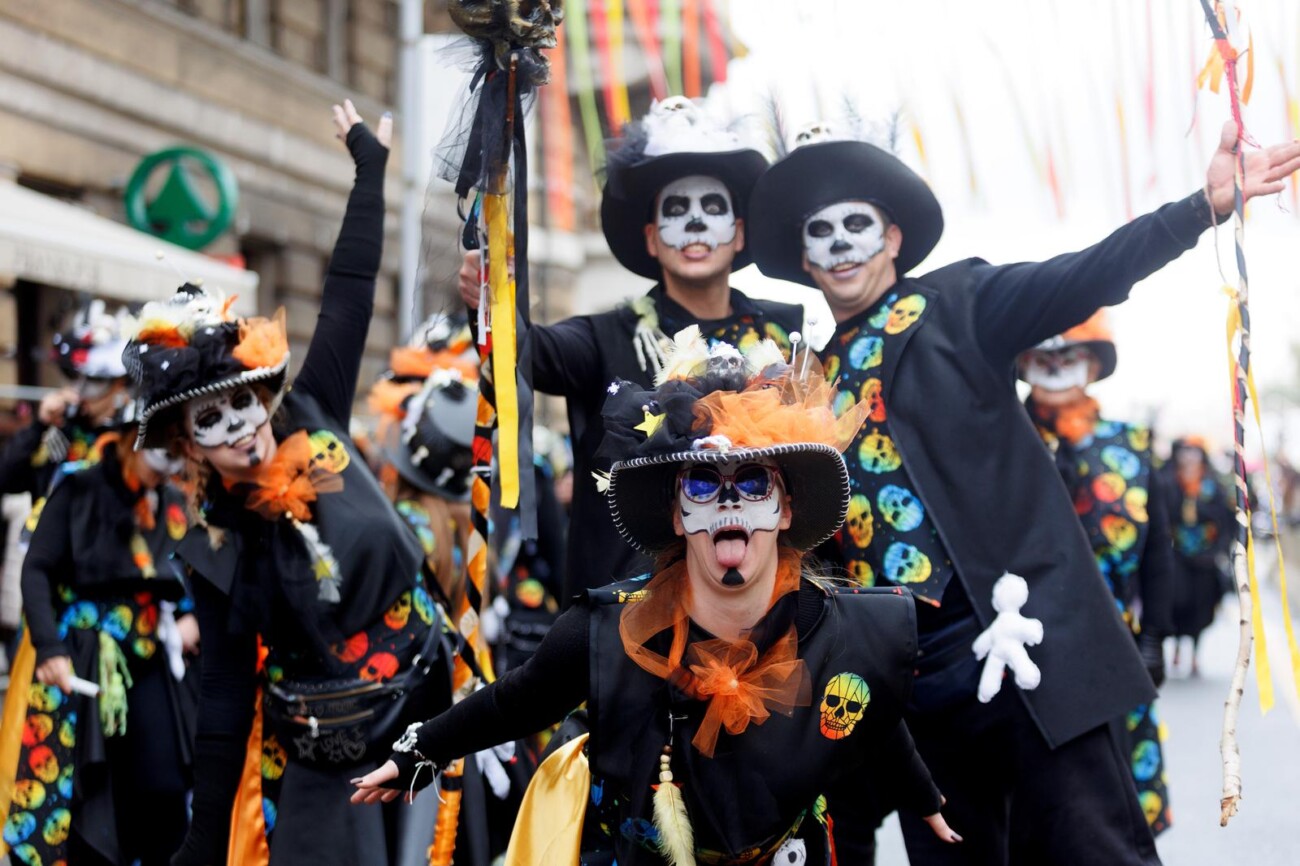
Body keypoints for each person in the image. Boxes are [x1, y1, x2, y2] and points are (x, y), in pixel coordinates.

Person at [745, 120, 1300, 864]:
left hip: (1027, 642)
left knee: (1092, 849)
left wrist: (1200, 207)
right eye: (822, 231)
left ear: (894, 238)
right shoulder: (800, 387)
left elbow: (1085, 273)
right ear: (806, 257)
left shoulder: (962, 301)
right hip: (915, 681)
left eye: (858, 224)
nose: (841, 243)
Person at [353, 336, 957, 864]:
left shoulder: (843, 628)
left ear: (785, 508)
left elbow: (873, 705)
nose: (728, 503)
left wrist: (922, 795)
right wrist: (420, 751)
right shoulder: (607, 630)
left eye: (752, 483)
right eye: (702, 483)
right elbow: (519, 700)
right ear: (676, 512)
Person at [125, 102, 453, 866]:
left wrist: (369, 170)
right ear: (186, 444)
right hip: (325, 755)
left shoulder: (313, 411)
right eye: (210, 419)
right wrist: (204, 838)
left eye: (243, 400)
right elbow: (223, 696)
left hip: (427, 708)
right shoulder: (213, 544)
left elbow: (347, 287)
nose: (240, 425)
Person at [458, 97, 803, 602]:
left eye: (713, 208)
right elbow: (522, 352)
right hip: (632, 617)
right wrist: (492, 301)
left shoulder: (786, 334)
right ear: (650, 237)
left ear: (738, 233)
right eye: (676, 210)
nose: (695, 225)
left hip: (758, 609)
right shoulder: (607, 336)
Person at [0, 407, 196, 866]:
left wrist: (191, 618)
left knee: (161, 782)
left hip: (149, 657)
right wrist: (49, 647)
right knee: (82, 792)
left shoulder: (173, 501)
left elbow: (190, 575)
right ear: (131, 438)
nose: (169, 456)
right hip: (81, 660)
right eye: (160, 444)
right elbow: (37, 570)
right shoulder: (78, 486)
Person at [1017, 313, 1176, 837]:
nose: (1058, 368)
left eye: (1070, 356)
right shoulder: (1000, 440)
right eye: (1045, 357)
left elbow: (1157, 555)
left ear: (1092, 364)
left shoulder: (1130, 446)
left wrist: (1152, 637)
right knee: (1035, 813)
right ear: (1023, 364)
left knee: (1113, 809)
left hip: (1111, 645)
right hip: (1020, 649)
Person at [0, 300, 134, 501]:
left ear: (120, 384)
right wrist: (39, 425)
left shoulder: (129, 438)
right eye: (74, 376)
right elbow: (6, 478)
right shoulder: (59, 430)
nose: (80, 389)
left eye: (95, 380)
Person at [1160, 437, 1234, 676]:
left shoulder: (1213, 485)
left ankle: (1194, 653)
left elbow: (1226, 520)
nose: (1189, 456)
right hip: (1177, 556)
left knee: (1201, 605)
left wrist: (1219, 550)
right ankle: (1177, 649)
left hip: (1206, 558)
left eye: (1194, 452)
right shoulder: (1168, 482)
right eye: (1185, 451)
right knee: (1176, 601)